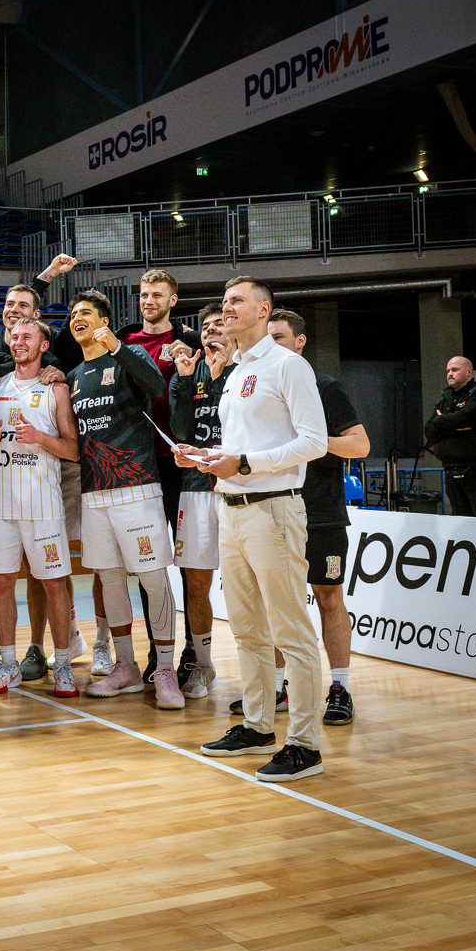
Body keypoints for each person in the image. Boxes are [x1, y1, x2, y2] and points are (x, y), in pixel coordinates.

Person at [177, 277, 328, 783]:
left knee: (291, 632)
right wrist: (206, 456)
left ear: (264, 310)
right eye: (224, 302)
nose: (227, 308)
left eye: (237, 301)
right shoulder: (237, 369)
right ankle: (259, 725)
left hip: (273, 509)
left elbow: (314, 443)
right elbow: (243, 445)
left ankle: (304, 744)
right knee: (246, 629)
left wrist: (244, 463)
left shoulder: (288, 365)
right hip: (231, 509)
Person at [64, 289, 186, 709]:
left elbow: (156, 385)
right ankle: (127, 666)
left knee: (152, 578)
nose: (76, 318)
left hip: (137, 488)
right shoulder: (74, 376)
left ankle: (165, 669)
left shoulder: (128, 355)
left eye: (85, 313)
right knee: (111, 579)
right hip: (94, 492)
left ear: (104, 322)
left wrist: (118, 346)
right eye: (73, 314)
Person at [268, 310, 371, 725]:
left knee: (329, 597)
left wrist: (314, 441)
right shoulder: (260, 388)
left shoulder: (324, 387)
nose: (271, 344)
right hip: (273, 509)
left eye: (279, 337)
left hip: (321, 513)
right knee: (277, 604)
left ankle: (340, 688)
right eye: (267, 338)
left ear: (300, 342)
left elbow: (360, 446)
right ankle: (277, 687)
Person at [0, 317, 79, 696]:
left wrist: (41, 438)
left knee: (53, 584)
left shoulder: (56, 390)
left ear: (43, 345)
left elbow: (73, 450)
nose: (18, 341)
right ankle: (8, 663)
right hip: (0, 506)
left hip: (43, 505)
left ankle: (62, 664)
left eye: (27, 337)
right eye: (14, 336)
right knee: (1, 583)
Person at [115, 268, 202, 684]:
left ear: (172, 300)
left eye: (157, 295)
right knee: (148, 565)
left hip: (181, 465)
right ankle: (157, 653)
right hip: (139, 464)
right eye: (144, 294)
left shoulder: (191, 341)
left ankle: (194, 653)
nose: (148, 301)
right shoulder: (124, 340)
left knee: (189, 567)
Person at [167, 304, 231, 701]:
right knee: (195, 583)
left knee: (250, 586)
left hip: (239, 486)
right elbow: (181, 430)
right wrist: (186, 381)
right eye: (205, 327)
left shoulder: (245, 370)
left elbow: (237, 424)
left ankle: (271, 675)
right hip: (194, 487)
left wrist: (221, 379)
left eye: (219, 325)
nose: (211, 331)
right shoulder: (189, 372)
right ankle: (203, 665)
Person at [425, 357, 476, 518]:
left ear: (468, 373)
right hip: (450, 467)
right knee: (460, 518)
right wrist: (452, 425)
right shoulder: (444, 398)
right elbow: (429, 431)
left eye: (455, 370)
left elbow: (465, 419)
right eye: (448, 371)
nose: (450, 374)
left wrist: (441, 421)